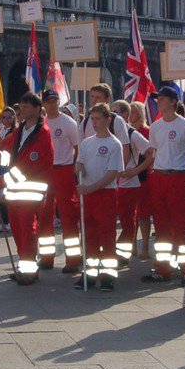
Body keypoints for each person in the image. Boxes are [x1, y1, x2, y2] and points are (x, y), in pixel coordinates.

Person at [145, 85, 185, 283]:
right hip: (159, 177)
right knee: (161, 225)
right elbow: (153, 151)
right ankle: (163, 268)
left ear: (172, 101)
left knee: (181, 225)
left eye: (161, 99)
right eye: (157, 99)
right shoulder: (155, 126)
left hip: (178, 177)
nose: (157, 102)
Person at [0, 92, 55, 283]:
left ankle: (30, 271)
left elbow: (28, 167)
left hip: (31, 189)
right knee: (17, 229)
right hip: (15, 190)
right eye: (21, 106)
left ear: (37, 109)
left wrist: (1, 181)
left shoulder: (43, 133)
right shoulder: (21, 129)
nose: (22, 109)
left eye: (27, 106)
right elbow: (9, 154)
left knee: (28, 229)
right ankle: (24, 265)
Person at [75, 102, 125, 291]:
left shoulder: (114, 144)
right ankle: (89, 273)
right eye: (92, 119)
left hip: (105, 194)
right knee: (89, 235)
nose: (94, 123)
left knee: (106, 235)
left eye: (98, 119)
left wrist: (91, 188)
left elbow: (112, 174)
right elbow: (79, 164)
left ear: (107, 120)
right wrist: (78, 167)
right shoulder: (87, 143)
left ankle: (108, 276)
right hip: (88, 196)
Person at [42, 90, 82, 273]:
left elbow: (78, 148)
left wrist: (75, 168)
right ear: (43, 104)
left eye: (55, 101)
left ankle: (73, 259)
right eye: (49, 101)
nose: (52, 104)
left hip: (64, 170)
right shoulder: (40, 123)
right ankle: (46, 258)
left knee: (68, 216)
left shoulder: (68, 123)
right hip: (44, 172)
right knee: (44, 215)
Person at [112, 99, 155, 271]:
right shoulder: (106, 132)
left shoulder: (133, 134)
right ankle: (118, 252)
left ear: (125, 115)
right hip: (111, 185)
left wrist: (135, 170)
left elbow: (151, 153)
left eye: (116, 113)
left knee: (130, 220)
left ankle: (123, 254)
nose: (112, 117)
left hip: (131, 184)